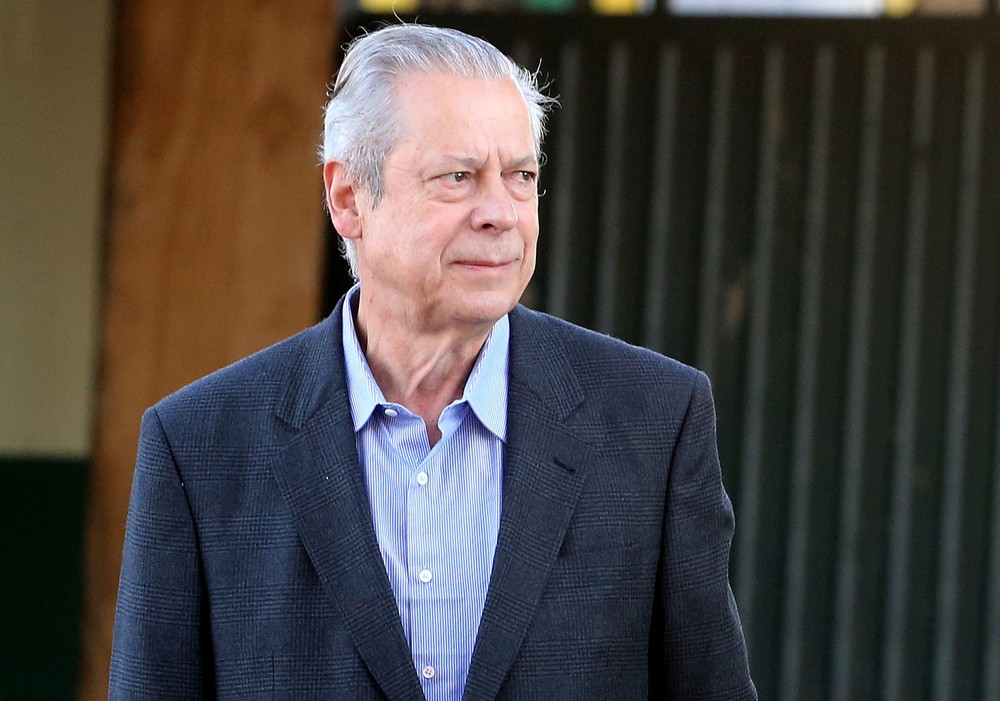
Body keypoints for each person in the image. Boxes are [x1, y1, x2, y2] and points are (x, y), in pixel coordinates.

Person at [110, 23, 756, 701]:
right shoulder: (200, 445)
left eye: (521, 176)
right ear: (348, 198)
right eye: (458, 177)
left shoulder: (655, 421)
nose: (501, 213)